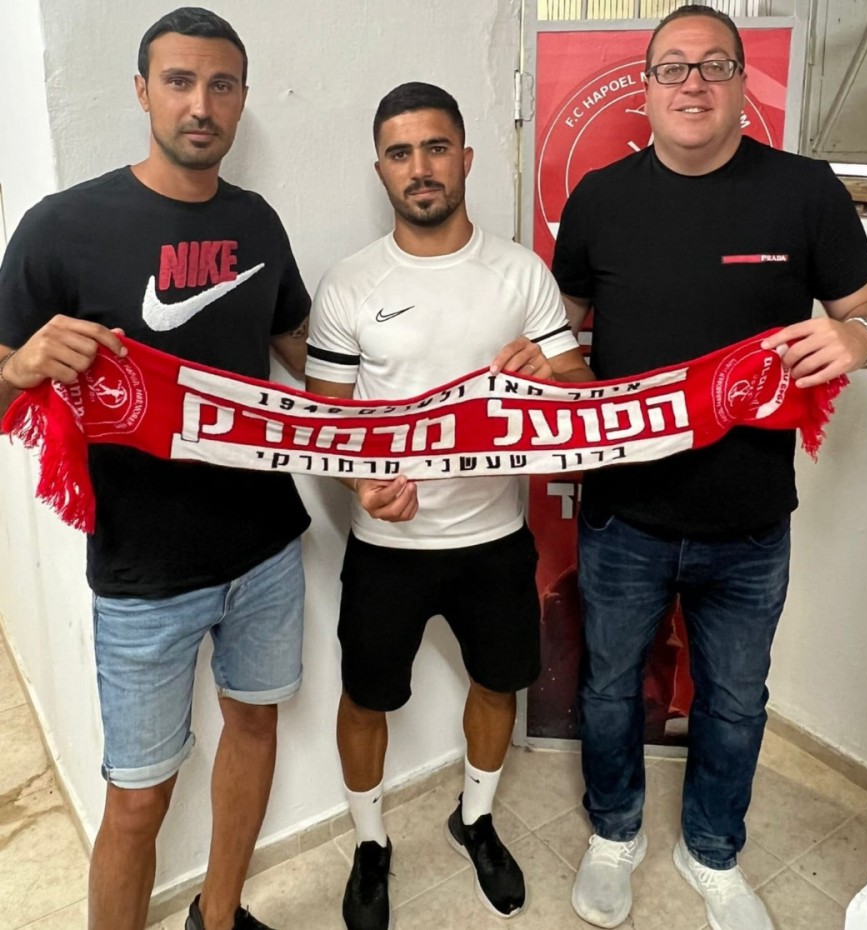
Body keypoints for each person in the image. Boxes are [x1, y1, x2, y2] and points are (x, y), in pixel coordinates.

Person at [551, 5, 867, 930]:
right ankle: (615, 833)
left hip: (749, 520)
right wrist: (547, 373)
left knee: (737, 703)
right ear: (647, 88)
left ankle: (712, 850)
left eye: (714, 65)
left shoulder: (805, 191)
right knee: (609, 689)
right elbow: (565, 330)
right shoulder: (599, 199)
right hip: (622, 512)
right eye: (673, 67)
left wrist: (859, 339)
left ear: (744, 83)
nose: (693, 83)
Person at [0, 9, 312, 930]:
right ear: (142, 92)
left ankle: (218, 916)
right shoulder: (61, 227)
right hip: (141, 574)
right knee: (137, 801)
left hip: (266, 551)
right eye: (179, 82)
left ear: (242, 99)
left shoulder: (257, 222)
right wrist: (21, 367)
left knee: (254, 726)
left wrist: (415, 408)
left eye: (221, 85)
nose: (200, 104)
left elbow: (304, 352)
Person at [305, 82, 592, 930]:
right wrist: (360, 485)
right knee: (365, 700)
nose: (420, 168)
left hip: (495, 537)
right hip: (386, 544)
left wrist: (550, 376)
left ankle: (475, 820)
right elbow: (324, 423)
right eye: (400, 153)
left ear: (465, 159)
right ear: (381, 170)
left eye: (435, 148)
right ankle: (370, 843)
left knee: (499, 685)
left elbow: (580, 390)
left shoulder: (520, 271)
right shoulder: (350, 282)